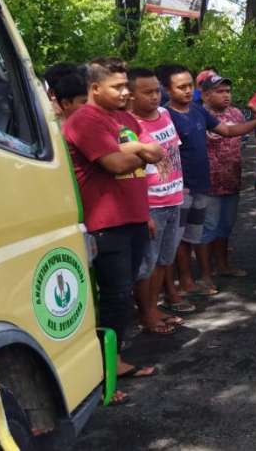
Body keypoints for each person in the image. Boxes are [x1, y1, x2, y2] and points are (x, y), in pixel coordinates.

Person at [62, 57, 164, 403]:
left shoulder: (122, 118)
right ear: (94, 88)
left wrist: (134, 148)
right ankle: (105, 372)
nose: (125, 92)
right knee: (114, 298)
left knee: (122, 296)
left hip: (134, 218)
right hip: (107, 225)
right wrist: (138, 150)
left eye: (125, 85)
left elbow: (159, 150)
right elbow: (116, 163)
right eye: (117, 87)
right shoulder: (84, 120)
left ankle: (115, 359)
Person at [161, 65, 256, 295]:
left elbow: (230, 131)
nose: (187, 91)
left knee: (205, 230)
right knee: (188, 236)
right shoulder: (165, 115)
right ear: (168, 89)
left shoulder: (198, 112)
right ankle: (191, 279)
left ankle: (212, 271)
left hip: (212, 182)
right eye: (181, 87)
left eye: (189, 86)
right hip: (182, 186)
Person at [128, 68, 195, 332]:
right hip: (151, 204)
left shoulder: (166, 114)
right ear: (131, 95)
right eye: (147, 92)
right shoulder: (129, 126)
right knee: (148, 263)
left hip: (173, 197)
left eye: (157, 90)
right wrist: (142, 212)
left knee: (164, 260)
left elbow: (173, 154)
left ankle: (153, 307)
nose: (155, 97)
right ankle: (146, 314)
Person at [200, 74, 248, 277]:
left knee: (225, 227)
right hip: (208, 183)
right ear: (206, 95)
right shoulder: (199, 114)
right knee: (207, 229)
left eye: (227, 91)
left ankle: (223, 266)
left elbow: (243, 142)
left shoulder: (237, 114)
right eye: (220, 91)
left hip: (231, 180)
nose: (226, 95)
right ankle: (205, 274)